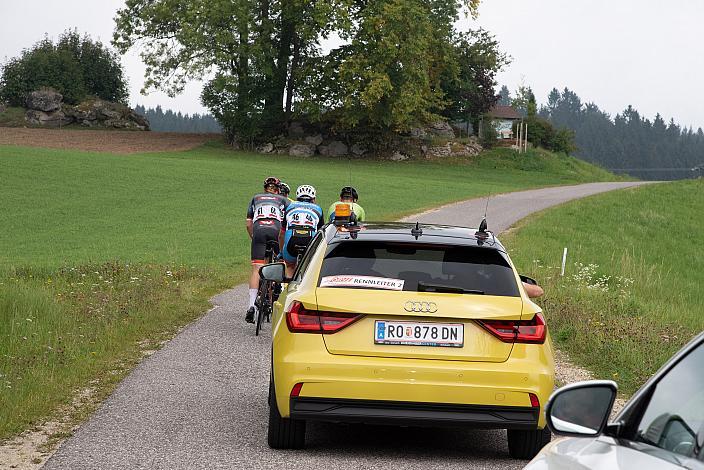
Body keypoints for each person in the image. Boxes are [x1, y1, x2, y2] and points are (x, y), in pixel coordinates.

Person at [245, 176, 289, 323]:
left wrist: (254, 238)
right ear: (278, 189)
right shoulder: (283, 200)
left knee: (257, 268)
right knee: (282, 261)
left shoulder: (255, 198)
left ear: (265, 188)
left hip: (258, 231)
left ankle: (251, 305)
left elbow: (248, 223)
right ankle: (277, 287)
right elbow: (287, 225)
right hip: (275, 231)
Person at [282, 185, 324, 277]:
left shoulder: (289, 206)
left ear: (297, 198)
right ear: (313, 198)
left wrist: (281, 252)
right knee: (309, 268)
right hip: (310, 237)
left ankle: (288, 287)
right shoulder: (318, 208)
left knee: (290, 266)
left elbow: (282, 231)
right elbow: (321, 232)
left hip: (291, 238)